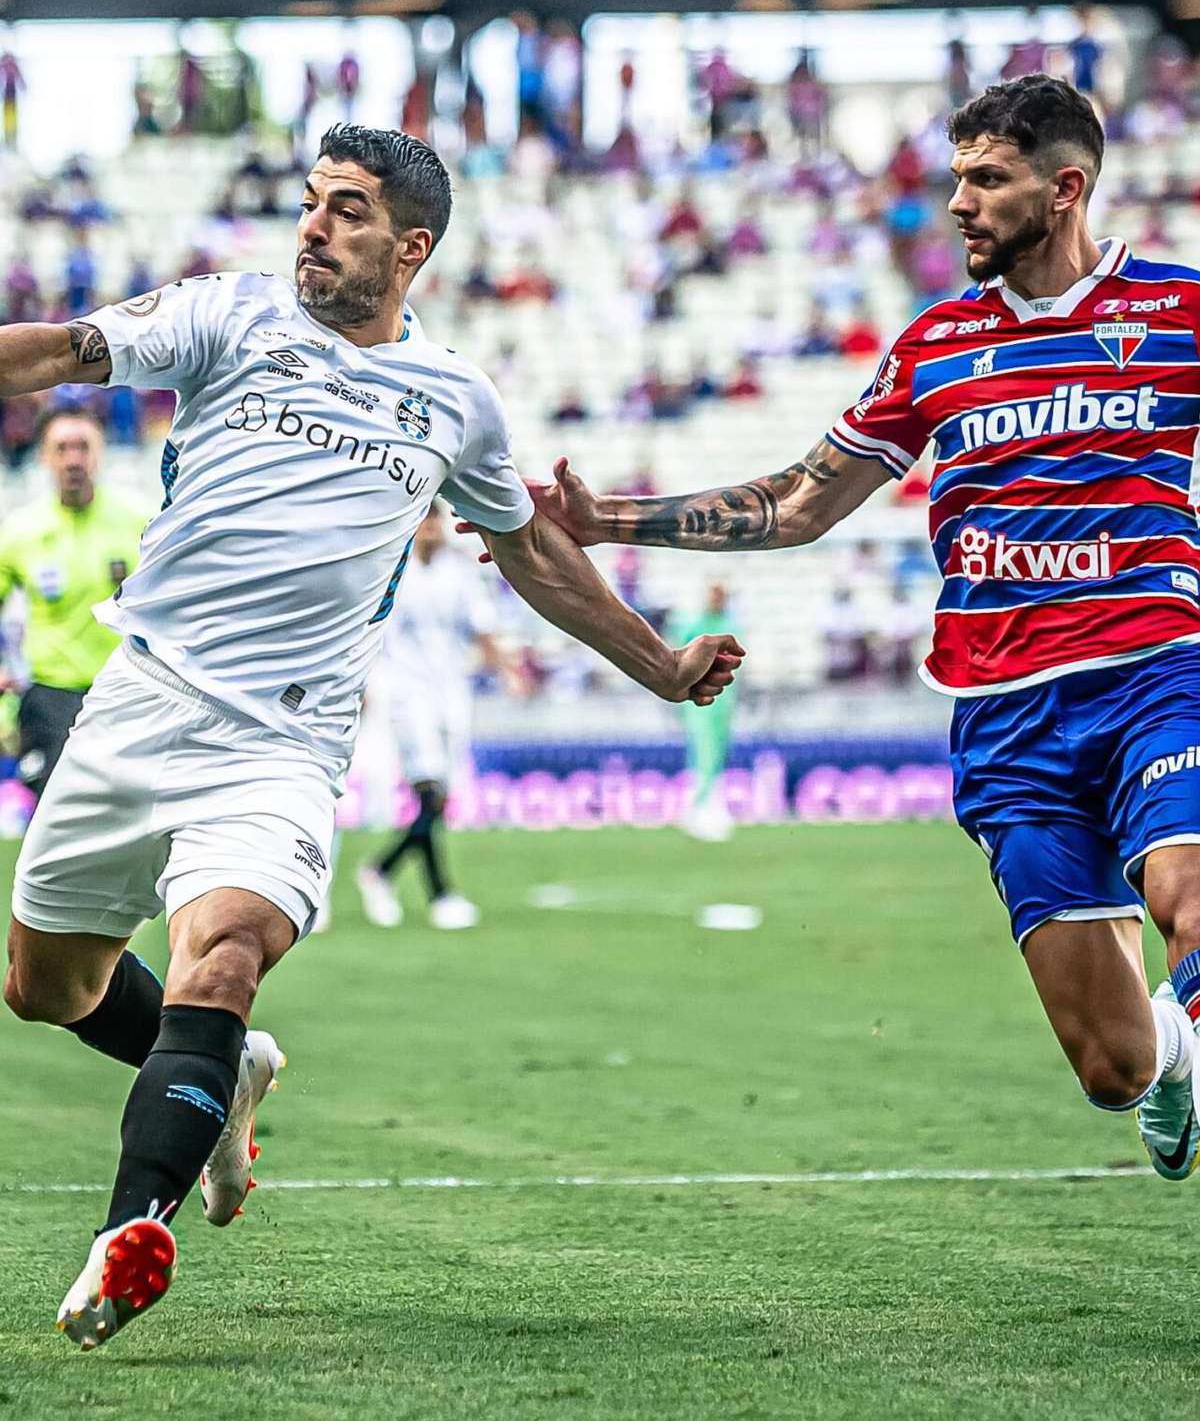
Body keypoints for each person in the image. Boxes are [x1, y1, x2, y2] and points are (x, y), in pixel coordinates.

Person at [0, 124, 742, 1350]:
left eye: (343, 209)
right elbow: (60, 352)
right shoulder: (226, 316)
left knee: (222, 953)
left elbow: (533, 554)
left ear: (409, 245)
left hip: (281, 743)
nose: (312, 225)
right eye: (309, 202)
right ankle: (228, 1073)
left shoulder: (455, 398)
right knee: (46, 987)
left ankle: (128, 1234)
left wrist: (662, 664)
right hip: (137, 703)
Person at [505, 75, 1200, 1197]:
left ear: (1066, 188)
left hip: (1158, 675)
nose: (958, 202)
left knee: (1189, 894)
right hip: (1007, 718)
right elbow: (799, 502)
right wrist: (606, 519)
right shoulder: (935, 346)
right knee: (1112, 1064)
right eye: (956, 176)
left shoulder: (1177, 310)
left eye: (988, 179)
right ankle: (1176, 1061)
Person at [357, 503, 521, 930]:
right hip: (406, 695)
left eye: (436, 520)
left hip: (451, 694)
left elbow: (481, 628)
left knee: (441, 800)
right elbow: (368, 633)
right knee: (428, 793)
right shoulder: (391, 569)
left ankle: (381, 871)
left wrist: (508, 671)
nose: (431, 528)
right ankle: (441, 894)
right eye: (425, 520)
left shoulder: (460, 572)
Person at [0, 407, 145, 800]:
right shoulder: (20, 532)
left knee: (127, 813)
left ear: (99, 453)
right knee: (55, 814)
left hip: (125, 689)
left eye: (83, 447)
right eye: (62, 448)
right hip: (50, 694)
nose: (73, 459)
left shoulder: (140, 522)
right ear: (45, 457)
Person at [672, 583, 738, 842]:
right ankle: (698, 809)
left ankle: (710, 806)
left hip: (724, 701)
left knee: (717, 753)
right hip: (700, 700)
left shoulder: (731, 623)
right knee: (704, 752)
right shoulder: (696, 624)